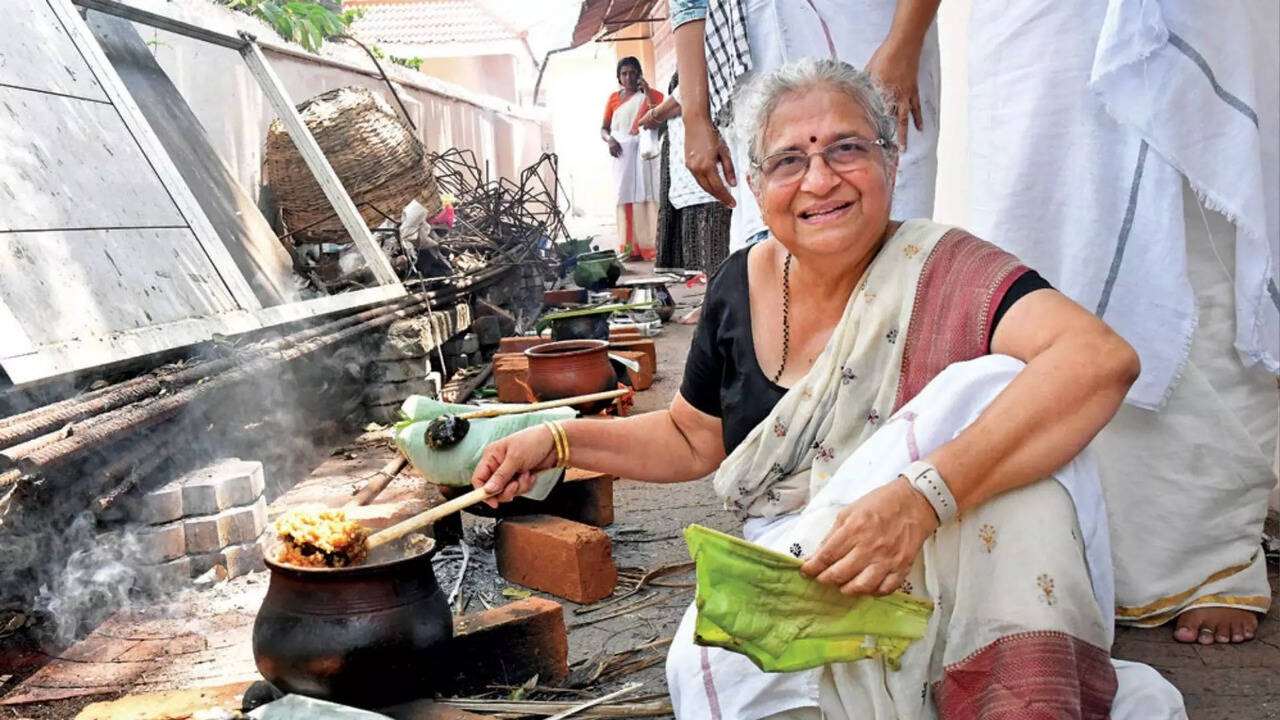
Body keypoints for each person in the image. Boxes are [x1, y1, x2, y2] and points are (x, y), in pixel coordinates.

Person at [474, 59, 1184, 718]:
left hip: (941, 550)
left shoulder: (945, 269)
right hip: (806, 572)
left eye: (847, 148)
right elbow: (693, 436)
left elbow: (1099, 359)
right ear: (756, 186)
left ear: (890, 160)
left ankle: (1016, 691)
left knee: (1000, 391)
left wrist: (921, 499)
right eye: (789, 160)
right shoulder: (738, 286)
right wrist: (559, 437)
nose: (820, 181)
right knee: (705, 660)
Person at [966, 0, 1278, 646]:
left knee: (1202, 253)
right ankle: (1049, 555)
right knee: (1038, 241)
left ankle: (1211, 558)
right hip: (1037, 32)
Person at [669, 0, 942, 253]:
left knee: (889, 248)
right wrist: (694, 116)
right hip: (753, 54)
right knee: (776, 252)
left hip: (871, 38)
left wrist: (904, 43)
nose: (819, 182)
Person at [641, 73, 733, 276]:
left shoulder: (703, 53)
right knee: (708, 255)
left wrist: (656, 114)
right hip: (691, 166)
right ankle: (712, 299)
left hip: (712, 158)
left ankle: (719, 301)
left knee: (718, 248)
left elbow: (691, 89)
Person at [602, 56, 665, 261]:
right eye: (624, 73)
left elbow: (660, 114)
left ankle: (650, 248)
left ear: (639, 74)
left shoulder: (651, 95)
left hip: (644, 153)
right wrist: (610, 140)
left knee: (647, 195)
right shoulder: (613, 99)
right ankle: (629, 248)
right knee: (624, 196)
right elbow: (603, 128)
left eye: (632, 72)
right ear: (619, 77)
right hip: (621, 154)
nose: (628, 77)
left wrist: (646, 91)